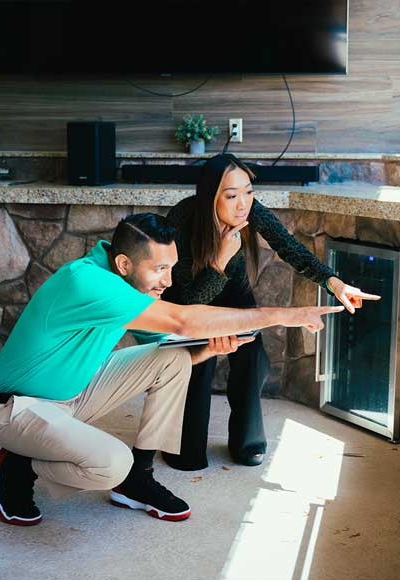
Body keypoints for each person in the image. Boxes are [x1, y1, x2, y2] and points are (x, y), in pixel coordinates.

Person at [0, 212, 342, 526]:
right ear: (124, 264)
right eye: (159, 269)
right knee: (112, 463)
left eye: (171, 268)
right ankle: (16, 466)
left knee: (173, 358)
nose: (168, 281)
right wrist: (284, 315)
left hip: (73, 395)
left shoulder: (121, 281)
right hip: (18, 409)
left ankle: (138, 478)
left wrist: (211, 348)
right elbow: (183, 321)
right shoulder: (86, 282)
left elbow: (171, 349)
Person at [158, 153, 381, 470]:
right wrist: (220, 260)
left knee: (253, 358)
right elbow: (190, 301)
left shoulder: (251, 211)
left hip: (234, 294)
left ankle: (247, 442)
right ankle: (184, 447)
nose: (243, 203)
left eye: (248, 192)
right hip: (189, 304)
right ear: (210, 197)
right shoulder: (182, 221)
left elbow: (289, 247)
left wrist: (334, 283)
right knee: (199, 366)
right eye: (231, 195)